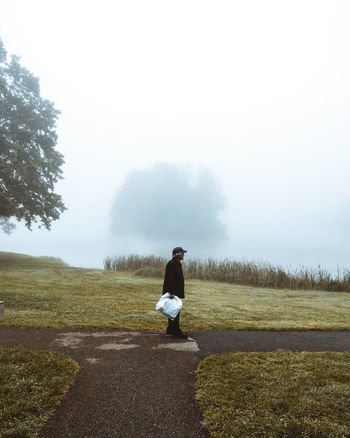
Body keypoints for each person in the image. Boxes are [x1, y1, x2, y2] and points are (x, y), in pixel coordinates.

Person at [163, 246, 188, 339]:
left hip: (176, 291)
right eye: (182, 253)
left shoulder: (177, 263)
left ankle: (170, 329)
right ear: (178, 254)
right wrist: (171, 292)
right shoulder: (172, 264)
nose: (184, 255)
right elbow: (170, 279)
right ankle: (176, 331)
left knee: (173, 310)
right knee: (175, 311)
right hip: (173, 292)